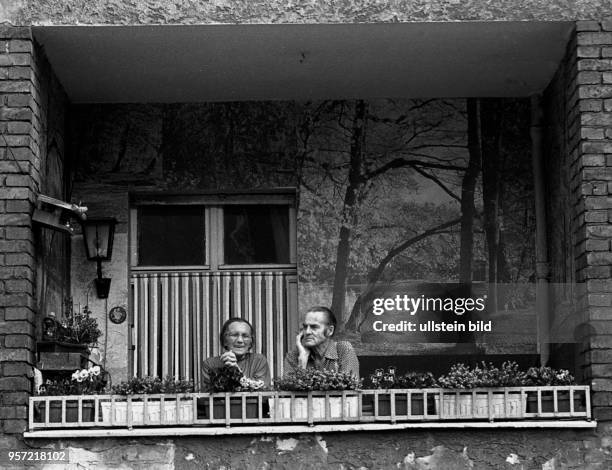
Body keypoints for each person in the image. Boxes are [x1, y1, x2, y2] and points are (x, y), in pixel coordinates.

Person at [283, 306, 359, 378]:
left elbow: (349, 387)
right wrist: (302, 363)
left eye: (314, 327)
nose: (307, 332)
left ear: (330, 330)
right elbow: (289, 390)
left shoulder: (343, 349)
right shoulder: (294, 356)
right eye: (305, 327)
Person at [201, 317, 271, 391]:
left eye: (245, 336)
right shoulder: (210, 364)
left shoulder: (259, 361)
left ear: (251, 342)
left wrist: (236, 371)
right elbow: (208, 395)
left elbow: (263, 391)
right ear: (224, 340)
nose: (240, 340)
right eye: (234, 335)